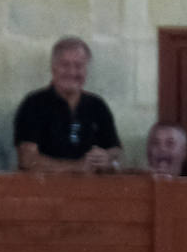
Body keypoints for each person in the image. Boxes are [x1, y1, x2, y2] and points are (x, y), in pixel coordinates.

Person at [14, 37, 121, 173]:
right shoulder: (33, 104)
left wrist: (107, 158)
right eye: (65, 65)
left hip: (92, 191)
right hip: (45, 191)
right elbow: (27, 159)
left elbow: (115, 149)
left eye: (79, 65)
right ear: (53, 68)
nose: (72, 72)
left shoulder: (97, 105)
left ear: (86, 69)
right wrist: (76, 167)